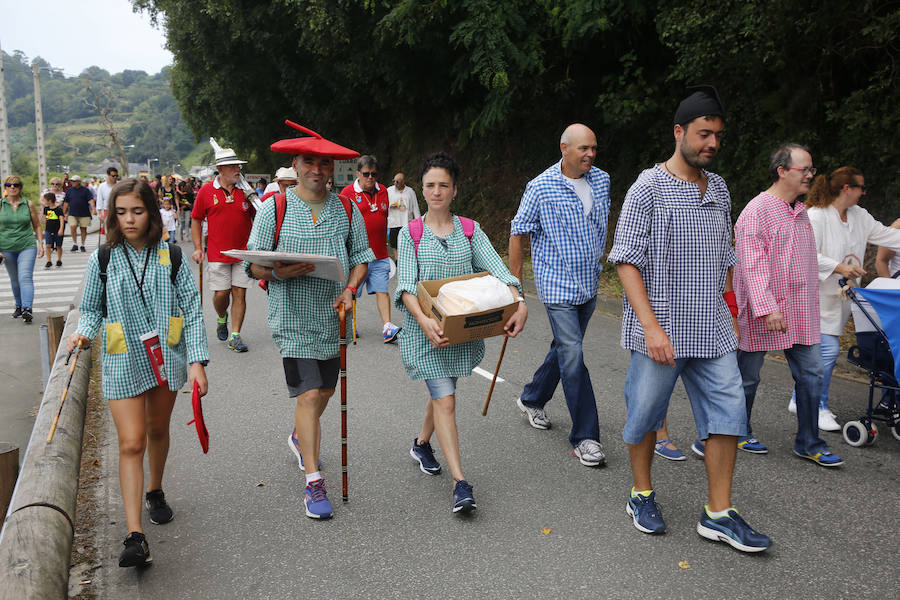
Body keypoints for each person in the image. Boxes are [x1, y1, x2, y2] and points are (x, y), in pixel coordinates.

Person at [608, 86, 770, 552]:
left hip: (713, 328)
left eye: (717, 135)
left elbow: (725, 257)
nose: (712, 143)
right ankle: (640, 494)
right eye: (703, 134)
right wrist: (651, 327)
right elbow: (626, 261)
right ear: (679, 132)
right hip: (661, 332)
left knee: (728, 417)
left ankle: (718, 513)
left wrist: (733, 309)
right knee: (644, 417)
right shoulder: (648, 187)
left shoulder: (718, 188)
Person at [66, 178, 208, 568]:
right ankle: (135, 535)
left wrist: (197, 361)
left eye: (138, 211)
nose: (129, 219)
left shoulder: (172, 256)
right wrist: (83, 334)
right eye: (122, 212)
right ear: (112, 214)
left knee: (157, 429)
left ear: (152, 212)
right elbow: (92, 309)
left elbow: (193, 312)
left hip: (167, 352)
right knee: (131, 442)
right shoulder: (105, 258)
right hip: (121, 355)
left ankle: (155, 489)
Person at [246, 123, 373, 520]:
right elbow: (252, 264)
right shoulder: (275, 207)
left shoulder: (347, 208)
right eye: (310, 162)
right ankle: (314, 482)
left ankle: (302, 436)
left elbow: (362, 258)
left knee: (323, 394)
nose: (318, 169)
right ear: (295, 165)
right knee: (307, 394)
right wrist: (275, 273)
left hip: (333, 316)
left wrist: (351, 290)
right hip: (291, 315)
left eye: (324, 162)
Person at [396, 152, 526, 514]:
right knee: (447, 400)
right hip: (426, 333)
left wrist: (519, 302)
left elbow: (499, 271)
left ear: (455, 189)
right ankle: (460, 482)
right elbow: (406, 287)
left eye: (443, 185)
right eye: (430, 185)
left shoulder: (471, 230)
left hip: (460, 334)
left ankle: (422, 443)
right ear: (421, 190)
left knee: (443, 393)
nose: (436, 192)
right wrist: (425, 322)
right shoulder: (411, 233)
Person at [730, 143, 843, 466]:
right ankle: (738, 431)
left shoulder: (800, 212)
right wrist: (767, 308)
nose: (810, 176)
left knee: (812, 372)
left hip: (800, 311)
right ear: (782, 171)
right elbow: (751, 264)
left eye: (811, 170)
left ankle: (809, 442)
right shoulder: (756, 211)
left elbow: (805, 264)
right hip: (761, 310)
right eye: (804, 170)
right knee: (748, 376)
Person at [508, 123, 611, 467]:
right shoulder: (540, 187)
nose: (591, 155)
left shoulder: (602, 179)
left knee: (566, 349)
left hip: (589, 283)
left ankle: (532, 397)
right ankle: (586, 437)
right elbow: (518, 232)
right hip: (557, 286)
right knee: (573, 354)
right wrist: (516, 286)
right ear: (564, 148)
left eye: (594, 148)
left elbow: (600, 226)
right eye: (584, 149)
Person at [795, 166, 900, 431]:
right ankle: (818, 406)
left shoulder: (859, 216)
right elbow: (806, 254)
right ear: (847, 189)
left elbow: (886, 236)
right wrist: (841, 268)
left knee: (821, 354)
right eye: (861, 188)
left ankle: (800, 397)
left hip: (840, 298)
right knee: (828, 352)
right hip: (814, 295)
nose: (864, 193)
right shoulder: (816, 217)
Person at [191, 144, 254, 353]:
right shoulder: (206, 192)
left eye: (238, 165)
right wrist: (198, 248)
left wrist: (253, 199)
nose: (237, 169)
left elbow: (260, 218)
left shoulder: (246, 191)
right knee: (221, 294)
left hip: (243, 251)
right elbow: (196, 220)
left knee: (239, 293)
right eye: (232, 166)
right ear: (221, 169)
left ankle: (235, 335)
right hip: (218, 253)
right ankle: (221, 316)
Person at [340, 156, 401, 343]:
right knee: (352, 292)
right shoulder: (348, 192)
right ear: (358, 174)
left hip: (380, 253)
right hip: (357, 255)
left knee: (383, 290)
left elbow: (384, 216)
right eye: (366, 174)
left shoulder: (383, 191)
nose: (370, 178)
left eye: (374, 174)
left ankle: (387, 327)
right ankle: (349, 326)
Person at [1, 176, 44, 323]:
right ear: (5, 188)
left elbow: (37, 225)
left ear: (20, 187)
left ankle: (27, 308)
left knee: (25, 276)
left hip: (27, 245)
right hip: (6, 247)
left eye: (16, 185)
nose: (12, 187)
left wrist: (40, 243)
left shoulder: (28, 204)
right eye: (9, 185)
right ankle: (19, 306)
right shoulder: (1, 205)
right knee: (15, 280)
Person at [387, 172, 421, 261]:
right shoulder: (389, 191)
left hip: (406, 221)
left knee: (407, 242)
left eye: (397, 181)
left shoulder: (410, 191)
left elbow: (415, 207)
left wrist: (419, 222)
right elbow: (383, 205)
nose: (395, 183)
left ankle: (406, 259)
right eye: (394, 181)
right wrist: (390, 205)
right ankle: (397, 260)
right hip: (394, 221)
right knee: (394, 243)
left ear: (403, 182)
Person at [62, 175, 96, 252]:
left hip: (84, 213)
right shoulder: (69, 191)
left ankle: (82, 245)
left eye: (74, 181)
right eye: (72, 181)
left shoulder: (85, 190)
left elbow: (90, 200)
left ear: (79, 182)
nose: (72, 182)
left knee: (83, 229)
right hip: (72, 213)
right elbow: (66, 202)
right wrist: (64, 213)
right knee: (73, 227)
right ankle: (75, 243)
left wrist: (93, 209)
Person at [42, 192, 64, 268]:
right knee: (48, 245)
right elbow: (45, 219)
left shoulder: (58, 209)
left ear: (50, 200)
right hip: (48, 230)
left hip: (57, 230)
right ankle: (49, 260)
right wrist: (44, 227)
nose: (44, 202)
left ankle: (59, 260)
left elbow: (61, 219)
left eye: (44, 200)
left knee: (58, 246)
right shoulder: (46, 209)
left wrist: (61, 229)